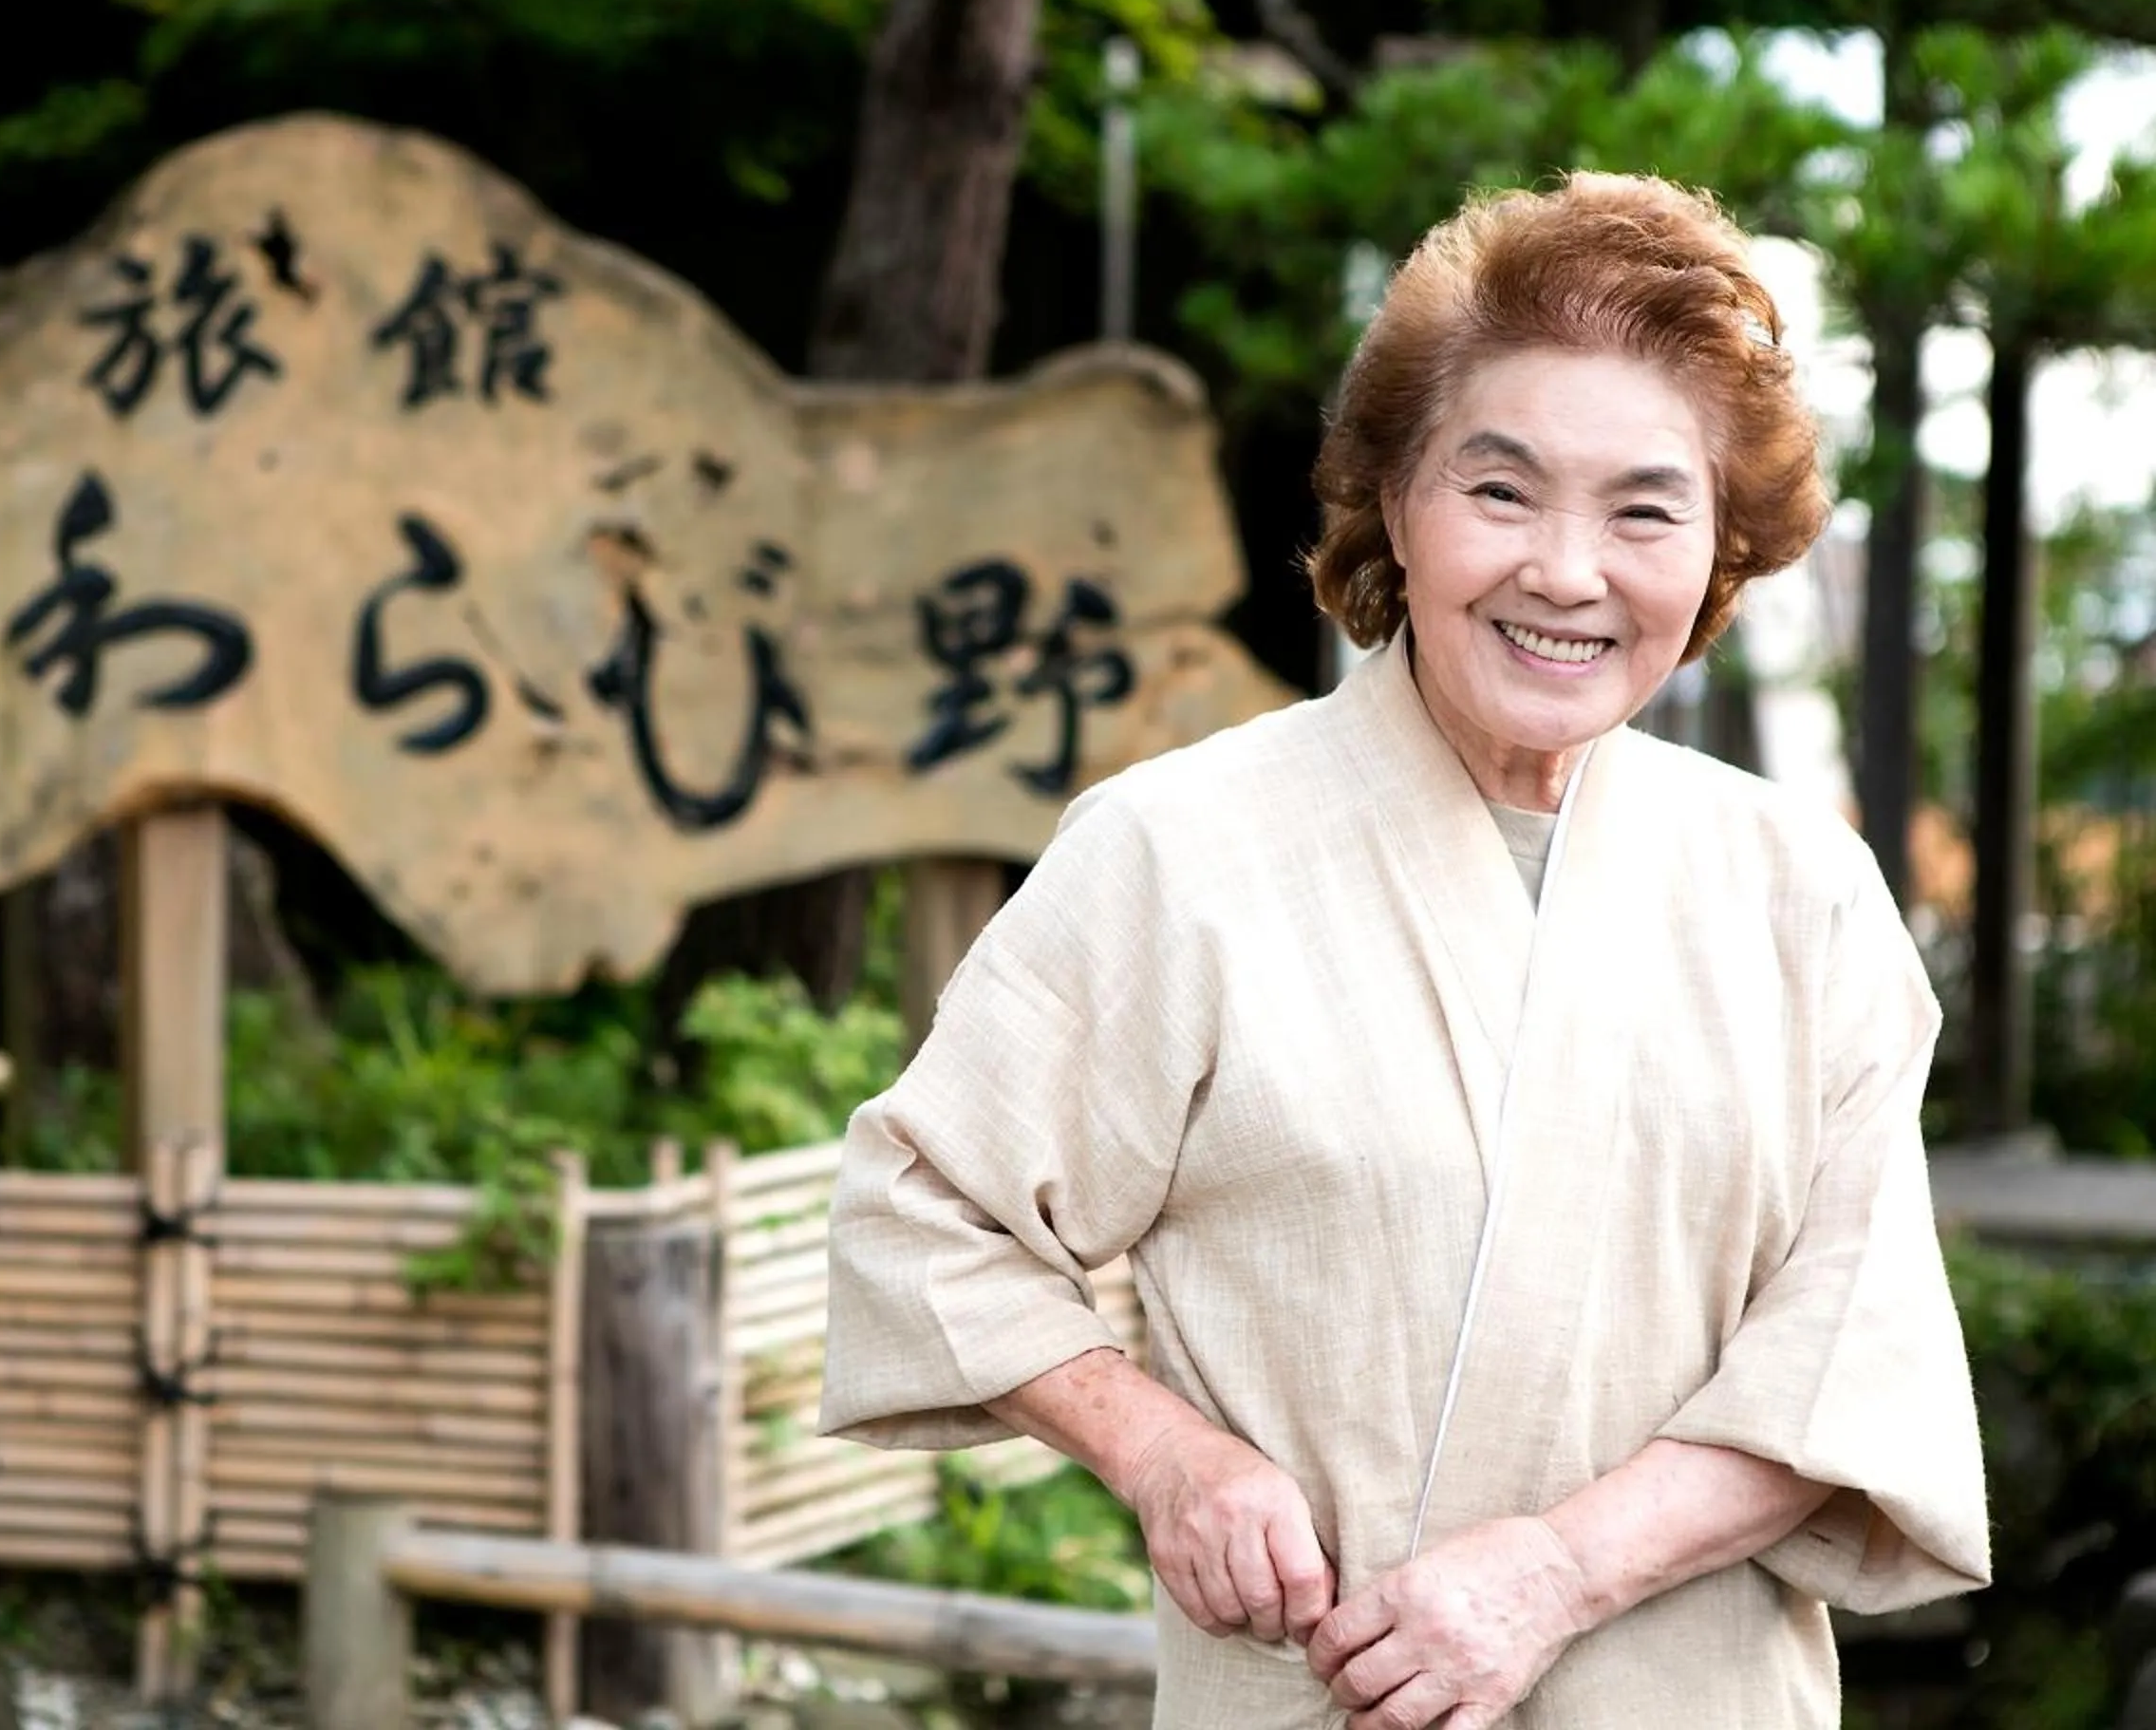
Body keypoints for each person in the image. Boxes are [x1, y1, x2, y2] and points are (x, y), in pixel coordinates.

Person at [820, 173, 1989, 1730]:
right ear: (1394, 501)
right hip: (1311, 1693)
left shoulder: (1803, 897)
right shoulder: (1181, 852)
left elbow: (1850, 1351)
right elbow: (924, 1210)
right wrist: (1166, 1454)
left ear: (1719, 555)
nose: (1567, 571)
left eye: (1644, 508)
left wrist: (1556, 1574)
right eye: (1501, 491)